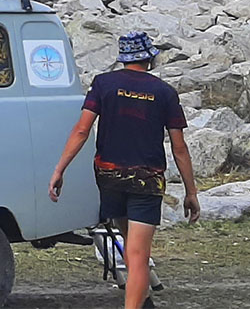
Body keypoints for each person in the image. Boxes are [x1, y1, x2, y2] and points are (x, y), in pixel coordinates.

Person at [48, 31, 200, 309]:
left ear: (123, 58)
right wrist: (191, 192)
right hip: (146, 180)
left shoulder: (103, 84)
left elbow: (82, 130)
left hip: (109, 176)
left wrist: (60, 169)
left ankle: (142, 299)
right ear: (149, 58)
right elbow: (179, 148)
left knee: (130, 242)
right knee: (139, 254)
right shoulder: (165, 92)